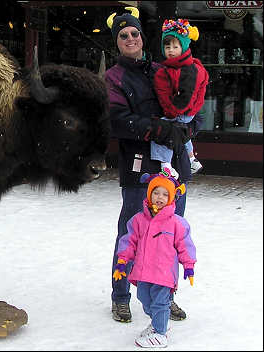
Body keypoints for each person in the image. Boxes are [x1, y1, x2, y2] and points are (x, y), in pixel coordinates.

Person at [104, 6, 203, 323]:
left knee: (171, 238)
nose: (130, 38)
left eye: (134, 33)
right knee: (130, 235)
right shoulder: (113, 78)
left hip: (174, 171)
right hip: (139, 171)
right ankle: (121, 296)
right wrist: (159, 128)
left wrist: (187, 129)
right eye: (123, 35)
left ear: (143, 37)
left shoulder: (166, 67)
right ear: (116, 42)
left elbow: (193, 110)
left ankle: (166, 295)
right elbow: (117, 122)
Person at [113, 168, 197, 348]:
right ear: (149, 195)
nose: (159, 197)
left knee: (160, 303)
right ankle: (160, 321)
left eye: (165, 194)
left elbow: (185, 245)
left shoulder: (176, 223)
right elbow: (129, 241)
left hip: (164, 274)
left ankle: (160, 333)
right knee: (144, 299)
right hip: (143, 272)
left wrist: (188, 265)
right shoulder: (138, 220)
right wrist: (122, 261)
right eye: (156, 192)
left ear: (172, 198)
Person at [151, 19, 209, 179]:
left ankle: (165, 164)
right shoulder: (185, 67)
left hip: (182, 111)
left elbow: (186, 95)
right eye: (167, 46)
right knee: (182, 131)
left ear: (183, 47)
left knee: (162, 131)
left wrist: (171, 112)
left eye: (175, 46)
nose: (170, 50)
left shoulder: (187, 69)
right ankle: (192, 158)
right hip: (188, 112)